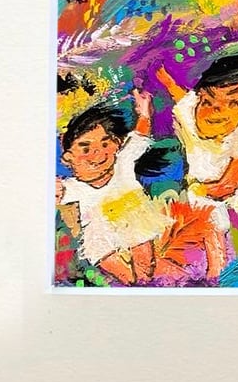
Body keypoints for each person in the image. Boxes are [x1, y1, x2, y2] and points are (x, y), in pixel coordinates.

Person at [155, 52, 238, 279]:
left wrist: (198, 189)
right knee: (210, 222)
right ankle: (217, 272)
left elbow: (227, 186)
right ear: (200, 95)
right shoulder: (188, 110)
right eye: (208, 101)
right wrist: (160, 71)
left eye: (232, 103)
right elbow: (176, 91)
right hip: (202, 186)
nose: (216, 111)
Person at [56, 89, 170, 285]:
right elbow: (55, 193)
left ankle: (145, 289)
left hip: (135, 221)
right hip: (100, 235)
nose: (97, 154)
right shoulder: (73, 187)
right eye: (85, 149)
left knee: (145, 269)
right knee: (126, 278)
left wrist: (144, 113)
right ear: (68, 158)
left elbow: (140, 136)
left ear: (117, 144)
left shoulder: (122, 163)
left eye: (104, 144)